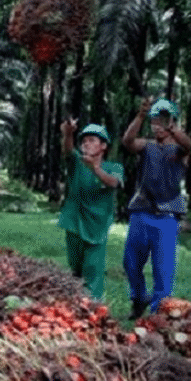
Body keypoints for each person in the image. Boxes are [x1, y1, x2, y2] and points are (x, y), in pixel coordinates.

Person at [121, 97, 191, 319]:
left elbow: (189, 146)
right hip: (142, 212)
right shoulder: (147, 145)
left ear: (172, 121)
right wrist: (141, 115)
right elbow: (127, 141)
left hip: (167, 218)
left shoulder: (180, 149)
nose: (158, 126)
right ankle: (139, 297)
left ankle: (158, 316)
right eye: (155, 121)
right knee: (131, 263)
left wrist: (173, 128)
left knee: (163, 271)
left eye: (163, 120)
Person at [57, 120, 124, 301]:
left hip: (97, 226)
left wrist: (94, 168)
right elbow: (67, 150)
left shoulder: (114, 167)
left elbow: (113, 183)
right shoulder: (76, 163)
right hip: (74, 223)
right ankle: (75, 308)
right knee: (75, 270)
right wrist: (69, 134)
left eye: (92, 140)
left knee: (93, 271)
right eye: (84, 140)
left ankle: (94, 311)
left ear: (103, 146)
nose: (86, 143)